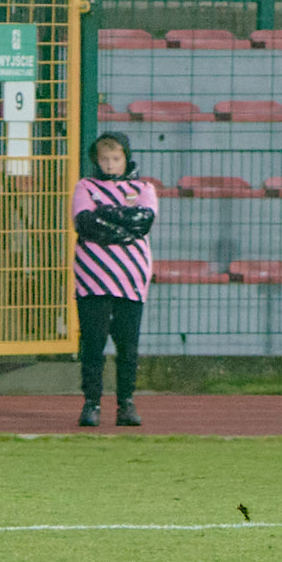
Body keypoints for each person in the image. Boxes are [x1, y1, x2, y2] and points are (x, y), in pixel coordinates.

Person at [73, 131, 157, 427]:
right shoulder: (85, 186)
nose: (110, 164)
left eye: (116, 158)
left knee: (128, 345)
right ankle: (92, 403)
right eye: (105, 159)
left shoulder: (144, 187)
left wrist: (106, 214)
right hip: (92, 278)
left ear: (126, 158)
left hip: (131, 278)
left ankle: (126, 403)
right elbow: (85, 222)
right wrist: (123, 224)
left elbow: (143, 221)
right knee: (93, 343)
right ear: (96, 160)